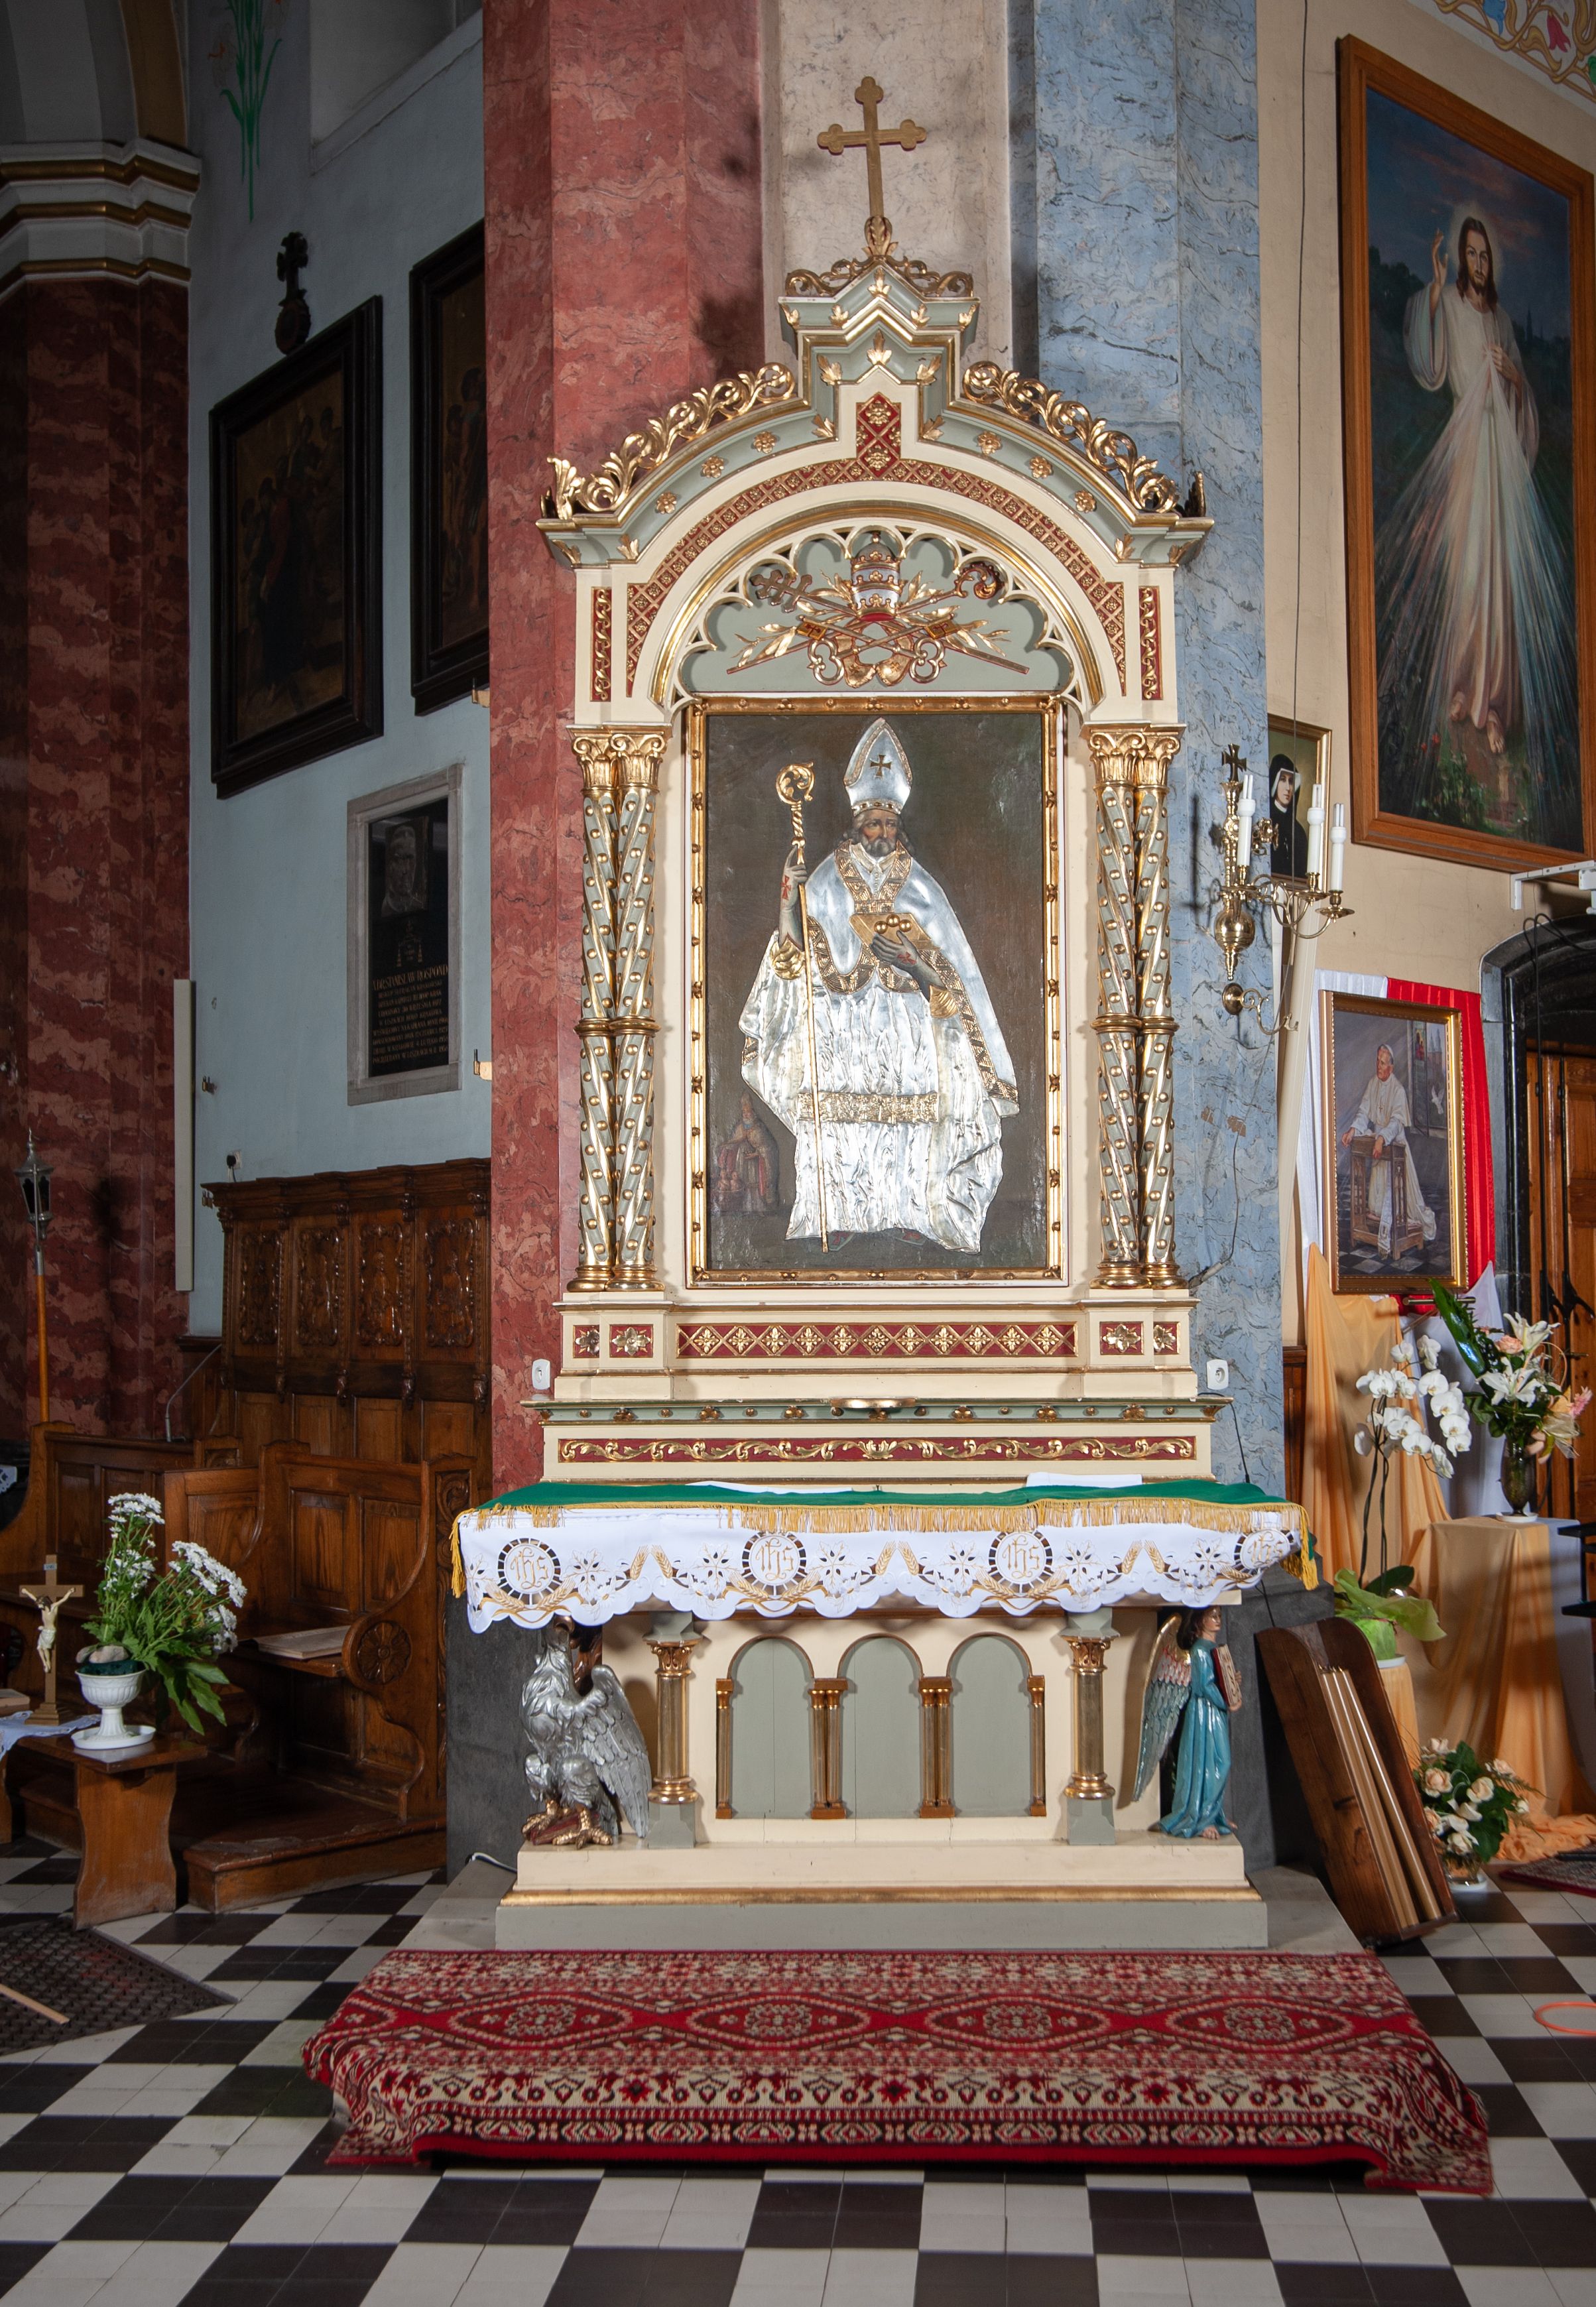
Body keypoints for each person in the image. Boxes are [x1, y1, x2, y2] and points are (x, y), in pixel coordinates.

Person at [739, 718, 1016, 1251]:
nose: (883, 832)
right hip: (839, 1031)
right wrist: (787, 897)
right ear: (856, 825)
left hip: (906, 1034)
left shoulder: (921, 887)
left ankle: (910, 1214)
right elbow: (793, 957)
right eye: (873, 823)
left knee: (910, 1124)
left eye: (890, 822)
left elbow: (952, 978)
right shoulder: (824, 878)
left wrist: (914, 963)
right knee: (840, 1124)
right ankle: (836, 1218)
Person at [1377, 211, 1574, 812]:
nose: (1479, 263)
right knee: (1467, 572)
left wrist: (1514, 376)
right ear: (1460, 258)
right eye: (1471, 254)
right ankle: (1461, 687)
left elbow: (1521, 401)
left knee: (1500, 584)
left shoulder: (1503, 323)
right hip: (1466, 449)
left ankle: (1494, 707)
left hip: (1500, 459)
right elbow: (1431, 368)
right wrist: (1435, 290)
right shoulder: (1452, 305)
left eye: (1485, 255)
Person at [1341, 1040, 1436, 1257]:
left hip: (1396, 1149)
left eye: (1383, 1063)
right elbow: (1364, 1112)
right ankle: (1373, 1229)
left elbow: (1396, 1122)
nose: (1379, 1066)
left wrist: (1383, 1137)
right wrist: (1353, 1131)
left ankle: (1403, 1232)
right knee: (1376, 1203)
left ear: (1391, 1068)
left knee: (1404, 1202)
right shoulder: (1372, 1084)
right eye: (1378, 1061)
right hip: (1379, 1148)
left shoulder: (1398, 1090)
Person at [1158, 1607, 1241, 1841]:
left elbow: (1218, 1680)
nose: (1218, 1620)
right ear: (1200, 1621)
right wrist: (1228, 1702)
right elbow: (1204, 1686)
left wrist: (1232, 1684)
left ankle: (1214, 1815)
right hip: (1205, 1712)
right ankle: (1202, 1820)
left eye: (1219, 1616)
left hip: (1214, 1711)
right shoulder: (1200, 1651)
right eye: (1212, 1616)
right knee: (1212, 1763)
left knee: (1217, 1763)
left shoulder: (1212, 1648)